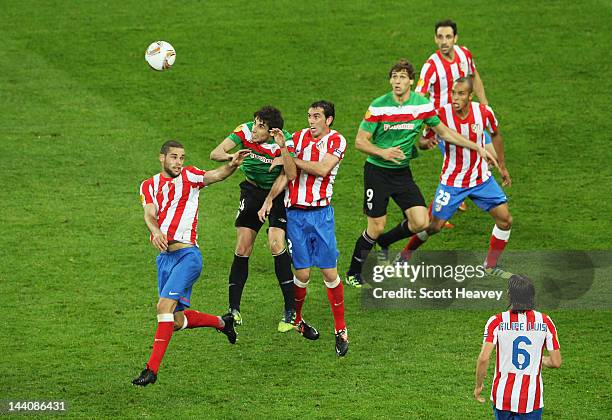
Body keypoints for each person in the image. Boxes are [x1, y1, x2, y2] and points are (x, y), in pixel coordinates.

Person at [345, 59, 496, 287]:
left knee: (421, 221)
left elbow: (444, 132)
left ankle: (385, 241)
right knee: (375, 226)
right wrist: (382, 152)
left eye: (402, 77)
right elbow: (359, 141)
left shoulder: (422, 105)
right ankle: (353, 272)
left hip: (401, 173)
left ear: (411, 81)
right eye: (394, 77)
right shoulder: (378, 106)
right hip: (377, 171)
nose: (397, 81)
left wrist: (478, 147)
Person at [132, 140, 249, 386]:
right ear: (161, 158)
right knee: (173, 320)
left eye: (182, 157)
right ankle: (222, 322)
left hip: (188, 256)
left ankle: (151, 370)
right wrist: (156, 232)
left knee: (163, 308)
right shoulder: (149, 185)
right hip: (165, 259)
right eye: (174, 157)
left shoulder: (191, 177)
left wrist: (232, 165)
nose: (178, 162)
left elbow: (216, 174)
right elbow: (149, 214)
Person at [398, 76, 513, 278]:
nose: (455, 97)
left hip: (481, 179)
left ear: (470, 96)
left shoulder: (484, 113)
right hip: (452, 183)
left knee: (505, 220)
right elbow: (423, 140)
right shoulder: (440, 114)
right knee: (433, 227)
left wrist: (502, 166)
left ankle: (490, 265)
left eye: (460, 94)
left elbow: (495, 134)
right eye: (453, 93)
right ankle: (405, 255)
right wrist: (427, 143)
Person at [260, 100, 350, 356]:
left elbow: (322, 170)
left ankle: (341, 329)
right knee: (302, 274)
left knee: (330, 273)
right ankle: (297, 320)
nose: (311, 121)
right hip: (296, 215)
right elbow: (289, 174)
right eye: (309, 116)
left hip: (321, 215)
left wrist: (289, 157)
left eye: (317, 116)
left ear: (328, 120)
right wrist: (284, 151)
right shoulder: (297, 137)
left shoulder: (336, 141)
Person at [210, 106, 296, 332]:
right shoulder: (245, 131)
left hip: (277, 194)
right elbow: (215, 153)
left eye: (261, 126)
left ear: (271, 131)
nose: (255, 130)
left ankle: (290, 311)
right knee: (242, 246)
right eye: (255, 123)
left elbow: (287, 175)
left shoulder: (284, 142)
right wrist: (232, 157)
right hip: (251, 190)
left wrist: (269, 201)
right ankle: (234, 309)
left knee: (276, 244)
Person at [416, 19, 492, 216]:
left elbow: (474, 77)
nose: (444, 41)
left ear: (455, 38)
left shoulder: (464, 55)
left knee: (487, 156)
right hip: (444, 124)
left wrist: (484, 106)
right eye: (440, 37)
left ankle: (457, 198)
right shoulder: (431, 66)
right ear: (435, 39)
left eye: (448, 37)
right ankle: (435, 212)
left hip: (469, 116)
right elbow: (419, 98)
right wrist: (425, 126)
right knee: (459, 167)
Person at [474, 275, 562, 419]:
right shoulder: (545, 322)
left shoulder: (496, 321)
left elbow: (484, 358)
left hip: (503, 397)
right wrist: (539, 358)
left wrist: (479, 386)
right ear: (532, 296)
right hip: (531, 398)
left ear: (509, 295)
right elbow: (556, 362)